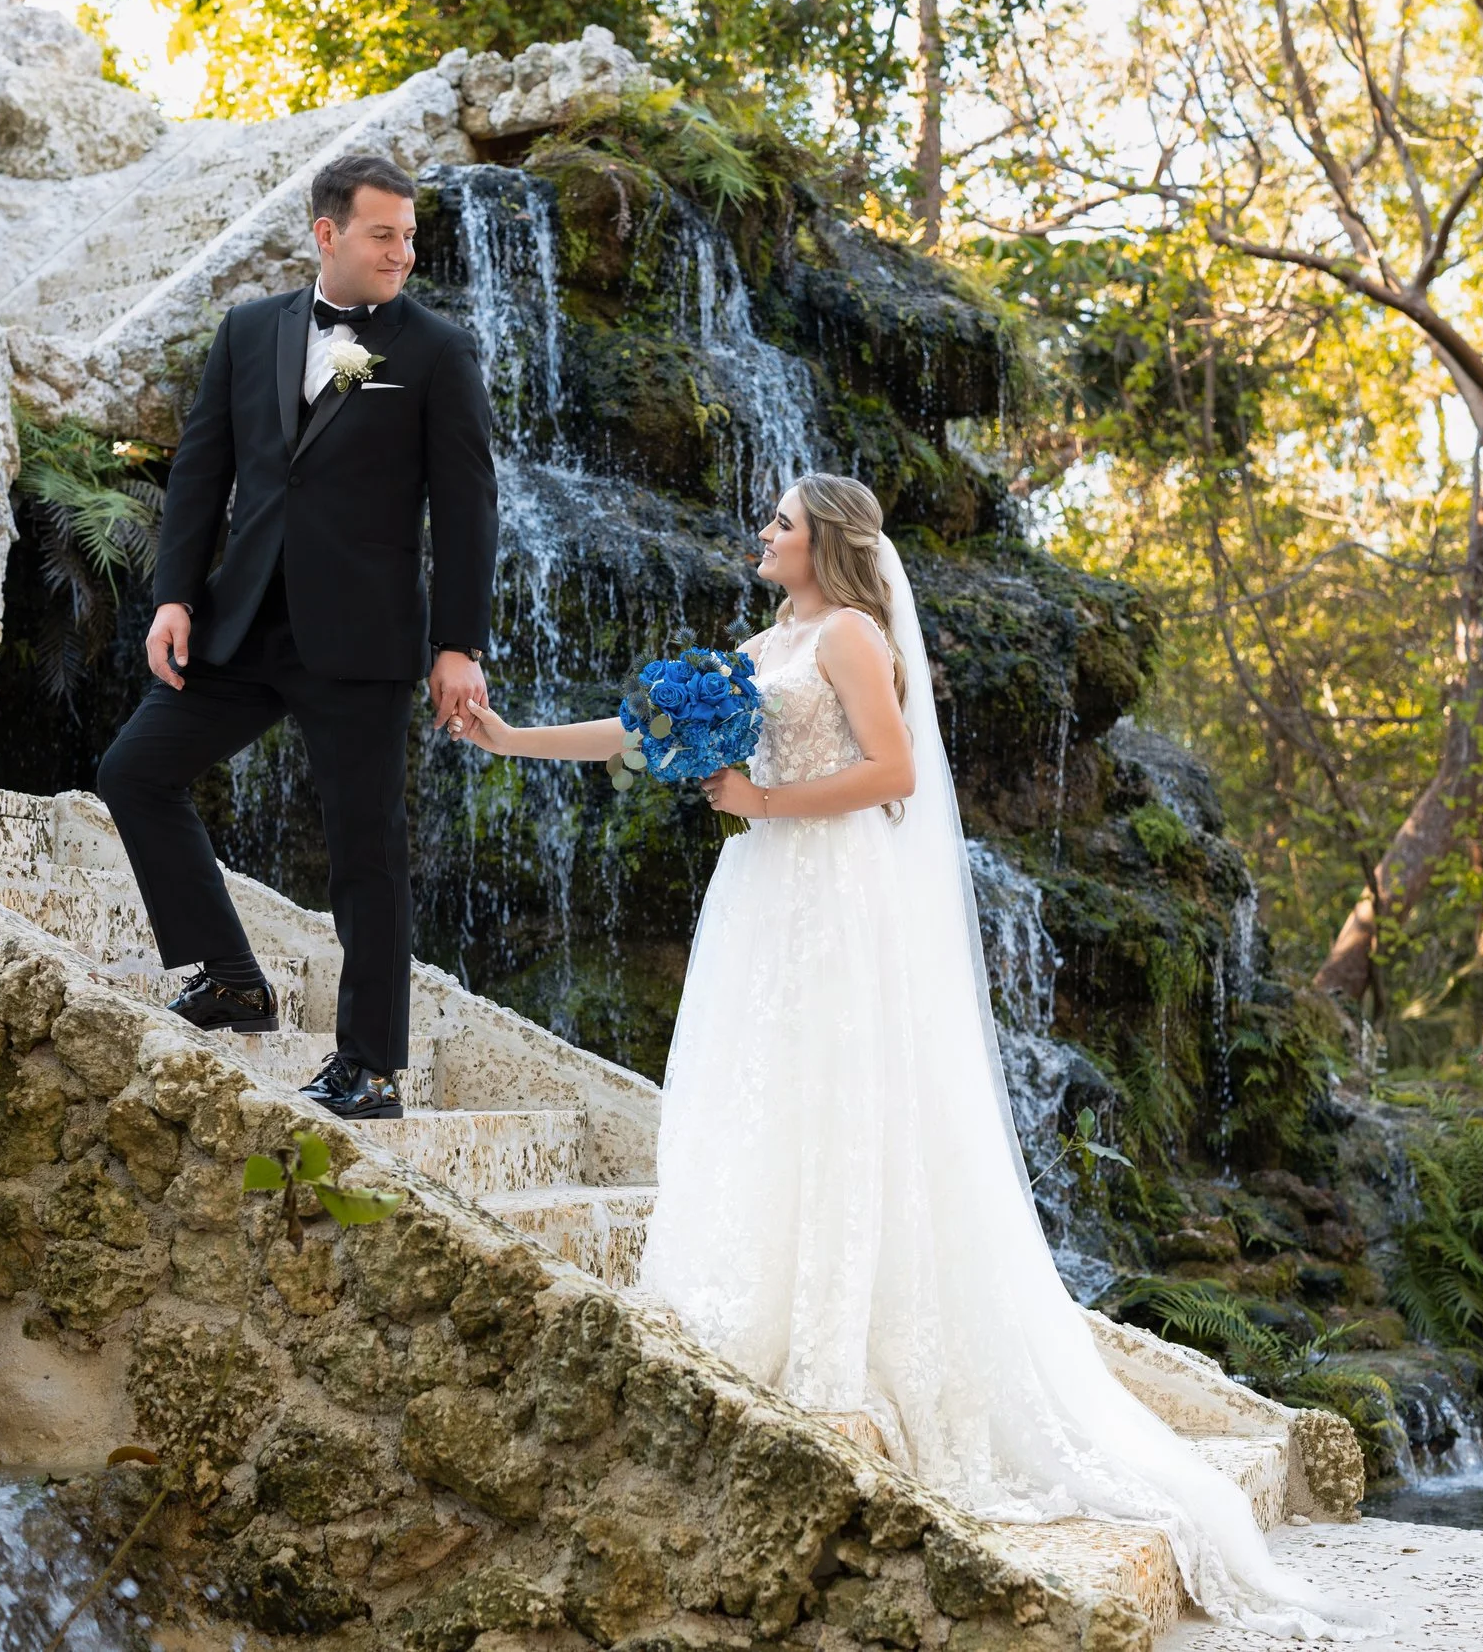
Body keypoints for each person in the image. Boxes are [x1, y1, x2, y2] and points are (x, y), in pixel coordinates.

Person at [459, 474, 1385, 1639]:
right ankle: (756, 1300)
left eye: (782, 522)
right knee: (759, 1093)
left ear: (828, 543)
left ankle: (838, 1336)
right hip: (760, 892)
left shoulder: (848, 633)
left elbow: (894, 774)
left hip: (828, 887)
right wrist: (511, 738)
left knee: (833, 1092)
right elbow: (646, 738)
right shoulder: (768, 637)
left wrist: (760, 795)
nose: (763, 531)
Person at [96, 154, 497, 1121]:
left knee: (366, 851)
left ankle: (370, 1066)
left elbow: (469, 502)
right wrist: (174, 596)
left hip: (361, 638)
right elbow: (201, 470)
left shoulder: (437, 350)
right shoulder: (248, 331)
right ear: (327, 234)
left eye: (409, 234)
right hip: (240, 622)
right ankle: (233, 979)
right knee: (133, 771)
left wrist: (459, 645)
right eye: (384, 234)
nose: (405, 250)